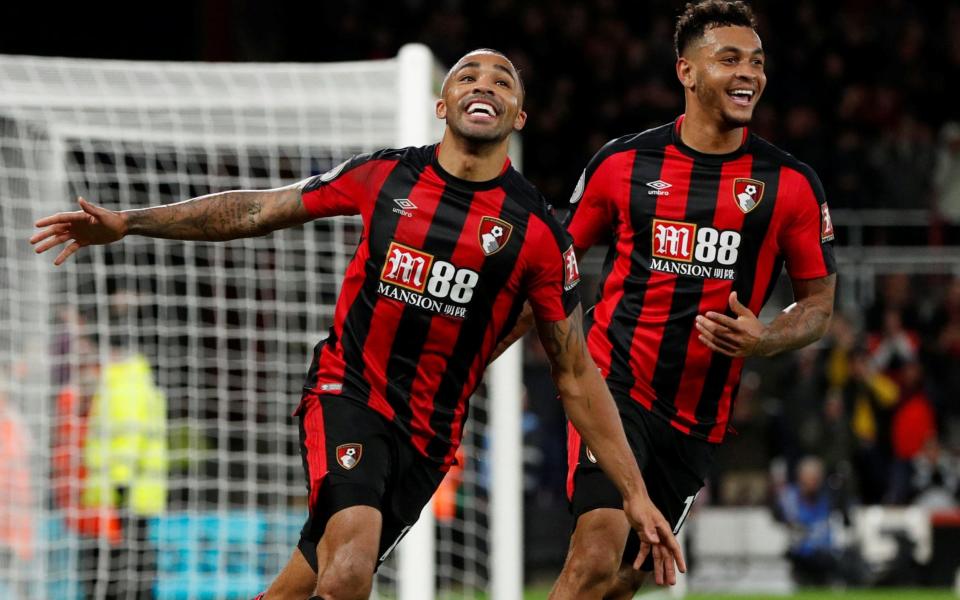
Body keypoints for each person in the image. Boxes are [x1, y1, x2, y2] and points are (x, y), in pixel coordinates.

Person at [31, 49, 684, 600]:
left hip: (427, 440)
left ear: (519, 116)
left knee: (297, 588)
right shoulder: (385, 176)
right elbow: (256, 211)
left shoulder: (539, 234)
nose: (483, 82)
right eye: (467, 75)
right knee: (348, 574)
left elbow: (575, 372)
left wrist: (635, 495)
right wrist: (131, 221)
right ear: (443, 104)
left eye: (502, 80)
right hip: (348, 393)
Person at [498, 3, 837, 597]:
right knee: (596, 557)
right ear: (686, 71)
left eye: (757, 63)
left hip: (700, 417)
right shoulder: (622, 164)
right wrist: (478, 352)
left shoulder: (791, 183)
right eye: (729, 59)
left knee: (626, 580)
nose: (748, 75)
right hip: (615, 384)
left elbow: (817, 306)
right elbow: (551, 274)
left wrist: (766, 336)